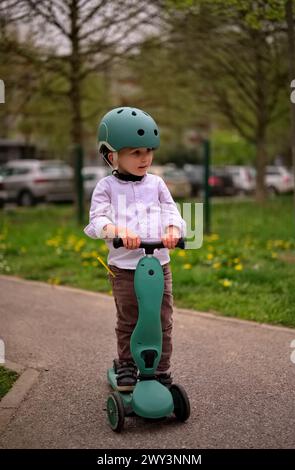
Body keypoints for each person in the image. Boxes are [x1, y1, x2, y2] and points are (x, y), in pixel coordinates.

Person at [84, 107, 186, 392]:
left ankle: (161, 370)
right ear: (111, 155)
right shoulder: (106, 187)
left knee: (161, 318)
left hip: (159, 265)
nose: (145, 159)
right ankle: (127, 364)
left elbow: (171, 211)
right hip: (124, 268)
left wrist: (173, 231)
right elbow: (98, 220)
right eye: (135, 153)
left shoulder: (156, 183)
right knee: (130, 318)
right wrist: (117, 231)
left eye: (148, 151)